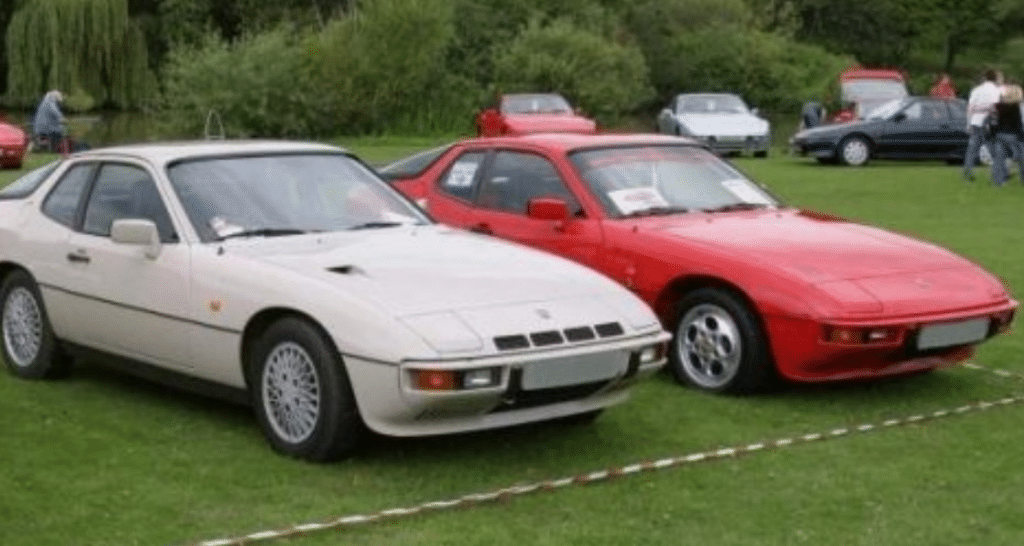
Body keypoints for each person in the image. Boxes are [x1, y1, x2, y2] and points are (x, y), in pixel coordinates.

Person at [963, 69, 1003, 182]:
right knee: (994, 149)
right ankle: (998, 174)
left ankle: (967, 174)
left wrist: (968, 123)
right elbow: (995, 107)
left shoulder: (977, 90)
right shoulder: (996, 90)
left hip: (975, 122)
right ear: (995, 78)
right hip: (989, 123)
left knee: (972, 150)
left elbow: (970, 107)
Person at [989, 83, 1024, 186]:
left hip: (999, 135)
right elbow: (1017, 123)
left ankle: (998, 181)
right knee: (1021, 158)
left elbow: (993, 122)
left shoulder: (997, 106)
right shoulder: (1015, 107)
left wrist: (992, 135)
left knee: (999, 159)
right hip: (1013, 135)